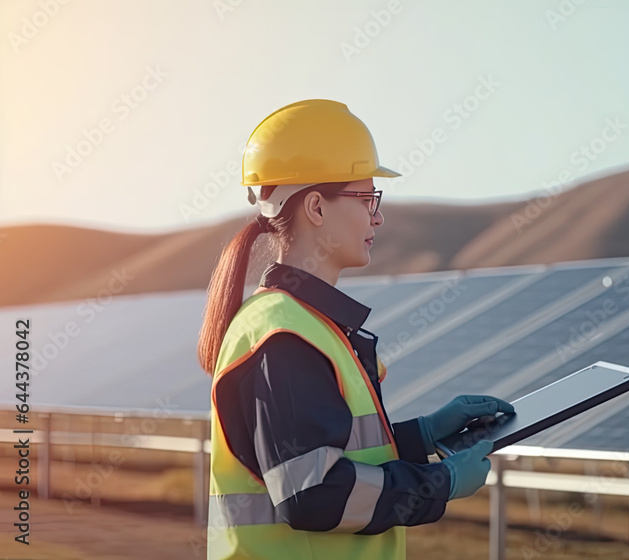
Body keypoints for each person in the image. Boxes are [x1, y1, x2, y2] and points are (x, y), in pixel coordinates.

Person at [197, 99, 514, 560]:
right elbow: (312, 493)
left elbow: (322, 454)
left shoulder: (304, 324)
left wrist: (420, 437)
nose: (377, 216)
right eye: (366, 199)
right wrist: (439, 483)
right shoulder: (283, 336)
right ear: (316, 208)